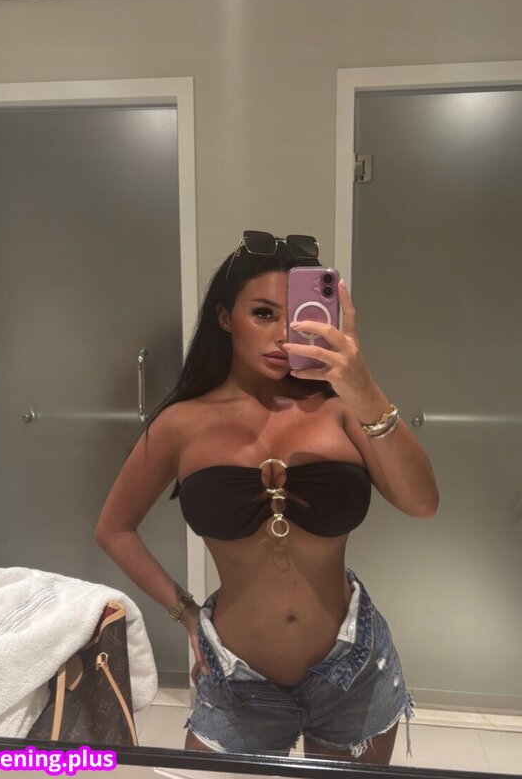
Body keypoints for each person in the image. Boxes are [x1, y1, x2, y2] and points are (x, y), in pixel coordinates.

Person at [95, 231, 439, 762]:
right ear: (224, 317)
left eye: (297, 315)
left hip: (353, 666)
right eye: (262, 314)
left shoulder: (342, 411)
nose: (283, 335)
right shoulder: (181, 424)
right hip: (237, 679)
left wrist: (364, 386)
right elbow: (114, 529)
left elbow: (422, 503)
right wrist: (186, 614)